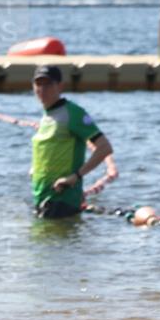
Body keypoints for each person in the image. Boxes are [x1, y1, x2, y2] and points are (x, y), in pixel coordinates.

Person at [30, 65, 117, 219]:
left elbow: (105, 148)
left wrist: (75, 176)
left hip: (62, 200)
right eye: (38, 84)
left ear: (60, 86)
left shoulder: (73, 113)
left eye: (48, 84)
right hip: (41, 196)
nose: (42, 89)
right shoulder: (47, 116)